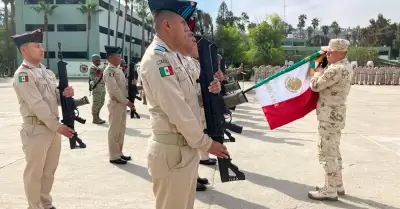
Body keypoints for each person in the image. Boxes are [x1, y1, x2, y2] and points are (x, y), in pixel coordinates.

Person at [141, 1, 229, 208]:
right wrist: (207, 144)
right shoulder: (157, 59)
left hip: (185, 149)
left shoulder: (176, 58)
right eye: (183, 23)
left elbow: (190, 100)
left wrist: (210, 90)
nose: (188, 28)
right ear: (167, 25)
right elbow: (178, 111)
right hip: (172, 152)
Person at [11, 28, 76, 209]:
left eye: (41, 45)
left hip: (52, 129)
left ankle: (45, 204)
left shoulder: (46, 72)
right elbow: (37, 104)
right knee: (35, 173)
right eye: (36, 45)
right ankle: (34, 206)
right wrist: (58, 126)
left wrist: (64, 94)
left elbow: (52, 98)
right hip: (36, 130)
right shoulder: (24, 75)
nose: (41, 49)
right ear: (24, 50)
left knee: (49, 171)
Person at [308, 39, 353, 201]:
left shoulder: (336, 69)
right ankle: (337, 184)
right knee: (334, 150)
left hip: (329, 116)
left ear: (341, 53)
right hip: (337, 115)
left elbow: (315, 86)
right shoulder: (346, 66)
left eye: (330, 52)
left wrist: (318, 72)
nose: (327, 54)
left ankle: (330, 190)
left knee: (327, 152)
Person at [103, 46, 135, 165]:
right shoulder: (109, 71)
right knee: (114, 130)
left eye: (119, 56)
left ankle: (119, 153)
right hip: (116, 103)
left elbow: (123, 87)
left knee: (121, 130)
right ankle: (113, 155)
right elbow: (114, 90)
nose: (119, 58)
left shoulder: (118, 69)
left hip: (122, 103)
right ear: (110, 57)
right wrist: (127, 102)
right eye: (117, 56)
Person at [89, 54, 106, 124]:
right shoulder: (92, 68)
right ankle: (95, 118)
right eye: (97, 60)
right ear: (93, 61)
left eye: (99, 60)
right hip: (96, 88)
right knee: (96, 103)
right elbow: (94, 78)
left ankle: (98, 116)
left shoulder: (99, 67)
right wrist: (99, 71)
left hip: (102, 87)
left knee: (101, 103)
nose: (99, 62)